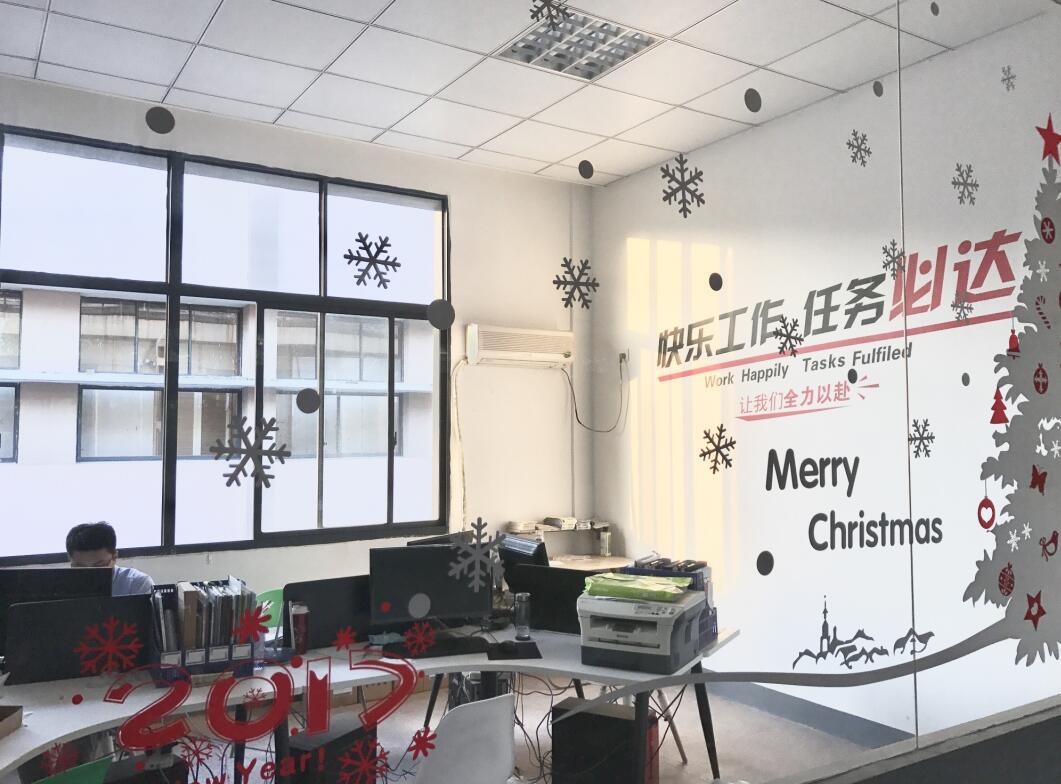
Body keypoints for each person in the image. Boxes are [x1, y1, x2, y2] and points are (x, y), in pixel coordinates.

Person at [66, 521, 154, 596]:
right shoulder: (63, 587)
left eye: (99, 566)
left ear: (114, 557)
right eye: (80, 568)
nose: (90, 575)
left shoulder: (137, 584)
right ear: (70, 560)